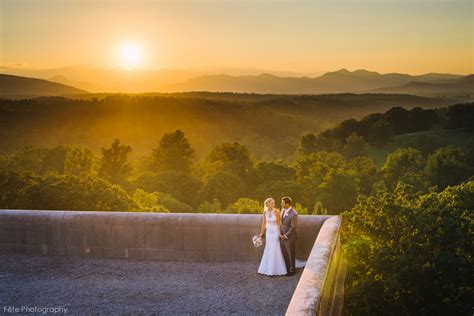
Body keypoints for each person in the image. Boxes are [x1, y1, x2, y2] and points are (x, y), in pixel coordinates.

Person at [257, 198, 288, 276]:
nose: (273, 204)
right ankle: (267, 268)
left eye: (273, 203)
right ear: (267, 204)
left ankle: (273, 270)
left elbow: (278, 224)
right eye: (271, 203)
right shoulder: (265, 212)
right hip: (268, 233)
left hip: (275, 232)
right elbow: (264, 224)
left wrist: (280, 234)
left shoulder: (277, 212)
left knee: (274, 248)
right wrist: (261, 233)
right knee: (268, 248)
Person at [279, 196, 298, 276]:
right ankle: (287, 269)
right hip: (281, 236)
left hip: (289, 237)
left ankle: (292, 270)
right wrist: (280, 234)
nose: (281, 204)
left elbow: (293, 227)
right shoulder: (283, 210)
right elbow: (281, 223)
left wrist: (285, 236)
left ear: (287, 204)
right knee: (284, 253)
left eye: (282, 203)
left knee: (291, 253)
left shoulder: (294, 214)